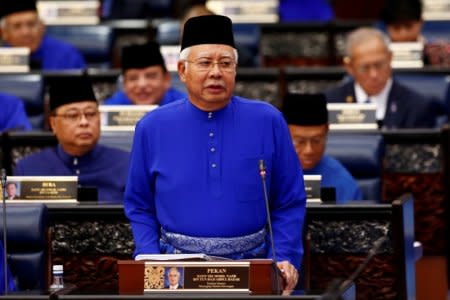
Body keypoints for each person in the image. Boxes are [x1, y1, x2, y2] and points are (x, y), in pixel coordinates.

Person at [124, 15, 306, 294]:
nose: (216, 72)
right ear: (182, 70)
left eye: (225, 63)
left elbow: (288, 201)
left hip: (254, 266)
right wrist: (148, 256)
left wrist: (283, 257)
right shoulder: (152, 127)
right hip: (175, 270)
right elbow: (139, 204)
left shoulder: (268, 120)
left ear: (236, 69)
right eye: (205, 63)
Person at [14, 75, 129, 203]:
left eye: (91, 114)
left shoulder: (126, 165)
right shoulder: (29, 170)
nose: (84, 122)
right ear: (53, 124)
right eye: (73, 115)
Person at [325, 27, 440, 129]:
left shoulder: (417, 107)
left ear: (390, 58)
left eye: (379, 65)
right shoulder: (330, 103)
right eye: (365, 68)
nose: (374, 74)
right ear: (349, 67)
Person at [282, 93, 363, 203]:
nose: (309, 150)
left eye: (316, 140)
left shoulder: (342, 181)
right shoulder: (267, 176)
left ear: (326, 131)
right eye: (299, 141)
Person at [0, 0, 86, 70]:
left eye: (31, 24)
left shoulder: (66, 55)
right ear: (4, 33)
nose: (26, 32)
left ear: (42, 27)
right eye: (17, 26)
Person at [104, 42, 186, 106]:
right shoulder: (112, 108)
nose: (142, 84)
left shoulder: (185, 106)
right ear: (124, 84)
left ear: (166, 79)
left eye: (151, 76)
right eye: (133, 78)